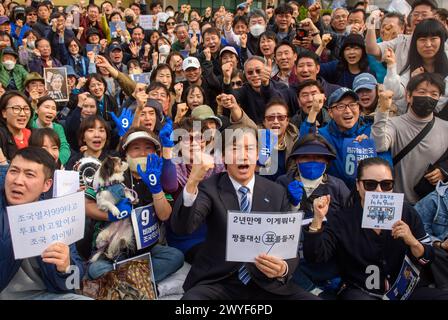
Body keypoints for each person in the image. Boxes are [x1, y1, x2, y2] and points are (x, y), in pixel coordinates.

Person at [171, 123, 319, 300]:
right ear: (224, 156)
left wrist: (283, 268)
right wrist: (192, 181)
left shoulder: (276, 192)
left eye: (249, 148)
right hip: (220, 283)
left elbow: (289, 244)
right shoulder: (209, 188)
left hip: (266, 284)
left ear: (257, 154)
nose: (242, 155)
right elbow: (182, 227)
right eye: (234, 149)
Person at [303, 157, 448, 300]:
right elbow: (316, 257)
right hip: (361, 291)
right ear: (358, 185)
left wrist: (412, 242)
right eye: (370, 184)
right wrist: (317, 219)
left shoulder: (407, 213)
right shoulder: (343, 219)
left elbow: (428, 257)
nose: (378, 191)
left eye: (386, 185)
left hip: (405, 290)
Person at [86, 125, 184, 282]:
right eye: (136, 148)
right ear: (125, 154)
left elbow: (165, 215)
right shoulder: (111, 172)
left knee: (175, 257)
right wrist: (110, 215)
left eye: (148, 148)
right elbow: (87, 205)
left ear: (155, 153)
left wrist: (156, 189)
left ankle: (124, 283)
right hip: (113, 246)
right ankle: (138, 282)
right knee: (96, 269)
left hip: (147, 247)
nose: (143, 153)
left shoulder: (158, 174)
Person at [0, 146, 88, 300]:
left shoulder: (56, 216)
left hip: (43, 295)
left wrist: (66, 267)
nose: (18, 181)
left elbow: (74, 282)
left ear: (47, 185)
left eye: (29, 174)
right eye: (13, 171)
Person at [276, 134, 350, 295]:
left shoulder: (338, 187)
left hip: (330, 263)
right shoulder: (283, 183)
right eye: (305, 157)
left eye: (318, 157)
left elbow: (349, 228)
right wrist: (293, 206)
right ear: (296, 160)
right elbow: (275, 229)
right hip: (295, 266)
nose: (312, 161)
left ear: (327, 161)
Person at [372, 72, 448, 204]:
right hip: (397, 203)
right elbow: (379, 144)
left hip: (433, 207)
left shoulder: (446, 128)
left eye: (434, 94)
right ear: (408, 96)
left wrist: (444, 171)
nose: (428, 97)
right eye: (422, 92)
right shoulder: (393, 124)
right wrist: (382, 111)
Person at [300, 87, 390, 189]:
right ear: (330, 113)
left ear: (359, 108)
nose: (347, 111)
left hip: (367, 194)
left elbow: (386, 166)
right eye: (340, 106)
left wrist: (369, 151)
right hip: (334, 195)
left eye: (352, 105)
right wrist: (314, 111)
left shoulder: (371, 132)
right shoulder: (323, 135)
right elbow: (303, 148)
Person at [383, 18, 448, 114]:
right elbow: (394, 93)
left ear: (441, 41)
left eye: (433, 39)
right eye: (422, 40)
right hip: (412, 124)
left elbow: (439, 104)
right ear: (415, 43)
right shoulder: (412, 70)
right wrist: (392, 66)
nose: (428, 44)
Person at [30, 96, 70, 165]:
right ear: (37, 110)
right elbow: (29, 120)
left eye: (53, 109)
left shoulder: (58, 128)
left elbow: (64, 147)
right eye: (47, 107)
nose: (50, 111)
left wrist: (58, 163)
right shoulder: (31, 125)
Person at [0, 91, 32, 160]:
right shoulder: (1, 136)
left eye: (26, 109)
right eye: (16, 108)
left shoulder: (33, 135)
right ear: (4, 113)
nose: (22, 114)